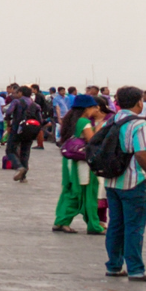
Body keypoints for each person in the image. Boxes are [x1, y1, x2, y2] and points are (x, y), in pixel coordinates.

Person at [99, 84, 146, 281]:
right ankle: (136, 269)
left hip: (112, 180)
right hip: (134, 181)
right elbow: (142, 154)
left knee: (116, 225)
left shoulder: (112, 120)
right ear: (138, 102)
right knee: (134, 227)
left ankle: (114, 265)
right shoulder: (139, 124)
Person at [53, 94, 104, 234]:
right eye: (94, 107)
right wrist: (99, 129)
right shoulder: (84, 122)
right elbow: (92, 141)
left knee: (70, 191)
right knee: (85, 192)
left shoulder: (70, 120)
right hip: (81, 163)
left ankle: (61, 221)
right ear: (87, 108)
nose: (96, 110)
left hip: (70, 161)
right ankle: (93, 225)